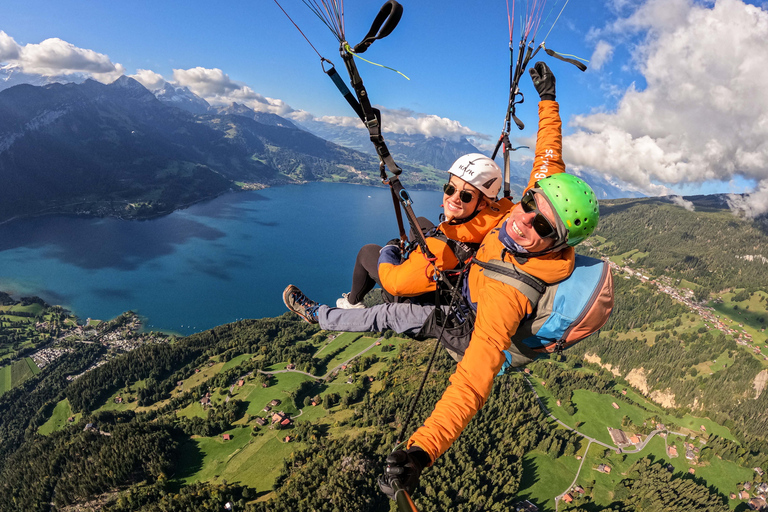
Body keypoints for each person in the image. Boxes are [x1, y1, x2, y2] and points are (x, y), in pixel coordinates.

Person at [375, 61, 601, 500]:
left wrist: (421, 451)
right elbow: (549, 151)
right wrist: (548, 99)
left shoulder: (507, 295)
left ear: (558, 243)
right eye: (529, 204)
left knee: (395, 301)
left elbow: (474, 379)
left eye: (543, 229)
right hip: (466, 283)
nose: (524, 223)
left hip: (471, 305)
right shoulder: (543, 194)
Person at [333, 152, 509, 310]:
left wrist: (389, 250)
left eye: (466, 196)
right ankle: (417, 255)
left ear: (483, 203)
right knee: (419, 223)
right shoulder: (498, 213)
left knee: (367, 251)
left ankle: (352, 303)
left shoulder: (441, 250)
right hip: (457, 264)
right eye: (450, 188)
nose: (453, 198)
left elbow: (396, 283)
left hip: (421, 299)